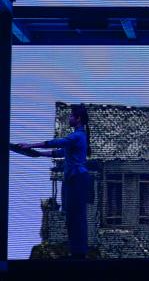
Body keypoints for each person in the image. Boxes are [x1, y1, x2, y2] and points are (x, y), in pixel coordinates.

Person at [19, 104, 92, 258]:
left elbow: (57, 143)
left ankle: (79, 252)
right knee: (72, 215)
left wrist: (31, 145)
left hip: (77, 178)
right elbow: (59, 152)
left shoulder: (77, 136)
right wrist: (38, 154)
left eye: (71, 116)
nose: (69, 118)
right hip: (74, 178)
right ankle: (76, 251)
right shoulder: (77, 136)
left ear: (78, 119)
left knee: (76, 216)